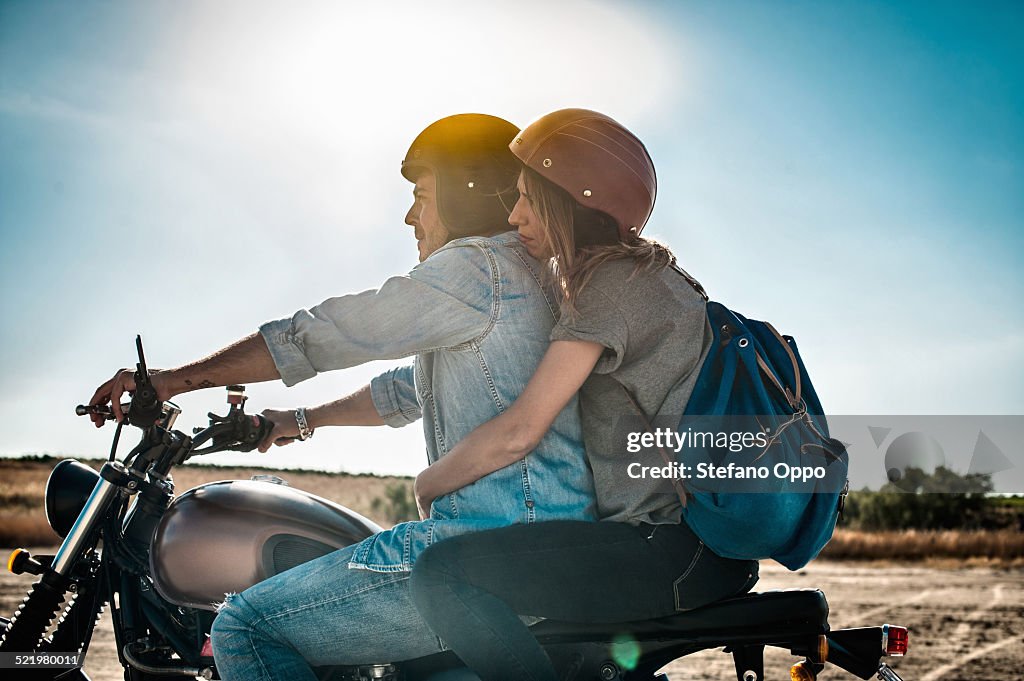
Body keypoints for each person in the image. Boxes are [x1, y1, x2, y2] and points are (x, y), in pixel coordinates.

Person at [88, 113, 596, 680]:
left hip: (482, 553)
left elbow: (331, 332)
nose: (410, 215)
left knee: (244, 627)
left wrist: (170, 381)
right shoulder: (528, 281)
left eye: (421, 195)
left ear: (465, 190)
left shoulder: (481, 268)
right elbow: (407, 391)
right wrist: (298, 420)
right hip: (539, 550)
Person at [408, 109, 760, 681]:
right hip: (701, 551)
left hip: (666, 549)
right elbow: (431, 384)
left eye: (528, 198)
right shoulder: (651, 277)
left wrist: (430, 483)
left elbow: (522, 429)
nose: (514, 213)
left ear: (573, 203)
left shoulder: (607, 290)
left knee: (442, 574)